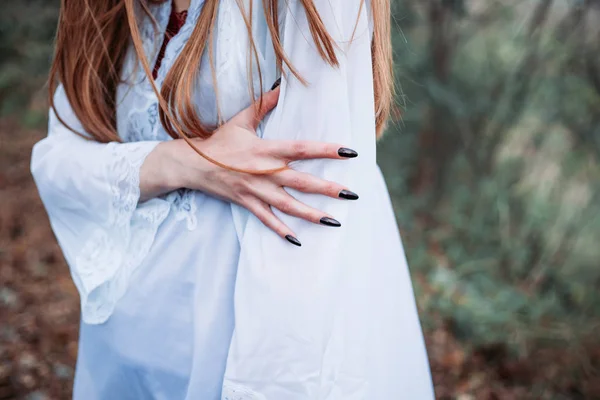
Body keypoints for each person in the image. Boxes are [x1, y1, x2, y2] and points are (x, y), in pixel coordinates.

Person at [31, 0, 434, 398]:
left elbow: (308, 222)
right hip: (118, 352)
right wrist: (184, 161)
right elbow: (57, 163)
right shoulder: (104, 9)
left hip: (232, 359)